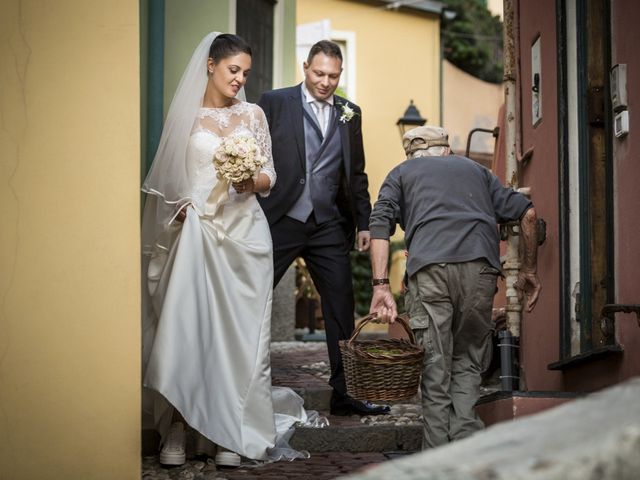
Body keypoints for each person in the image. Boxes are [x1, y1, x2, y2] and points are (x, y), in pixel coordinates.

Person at [141, 32, 309, 467]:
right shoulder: (186, 118)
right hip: (196, 236)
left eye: (245, 73)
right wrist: (179, 210)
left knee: (239, 339)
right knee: (188, 330)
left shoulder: (252, 115)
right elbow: (170, 183)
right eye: (233, 70)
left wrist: (248, 181)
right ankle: (178, 428)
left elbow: (270, 173)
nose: (239, 79)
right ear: (211, 65)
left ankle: (230, 432)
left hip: (246, 236)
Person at [368, 125, 541, 448]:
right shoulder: (477, 171)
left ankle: (436, 458)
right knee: (468, 360)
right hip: (480, 271)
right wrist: (529, 269)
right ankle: (466, 449)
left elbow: (379, 226)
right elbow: (527, 215)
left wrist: (380, 286)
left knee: (435, 364)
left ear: (412, 154)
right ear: (447, 149)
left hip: (431, 270)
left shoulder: (401, 173)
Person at [257, 40, 389, 416]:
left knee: (340, 308)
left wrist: (364, 221)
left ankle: (345, 393)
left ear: (340, 74)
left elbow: (356, 173)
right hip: (279, 219)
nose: (325, 82)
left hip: (328, 224)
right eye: (319, 73)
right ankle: (241, 382)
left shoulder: (351, 113)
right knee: (252, 297)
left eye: (333, 75)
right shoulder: (274, 102)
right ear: (304, 67)